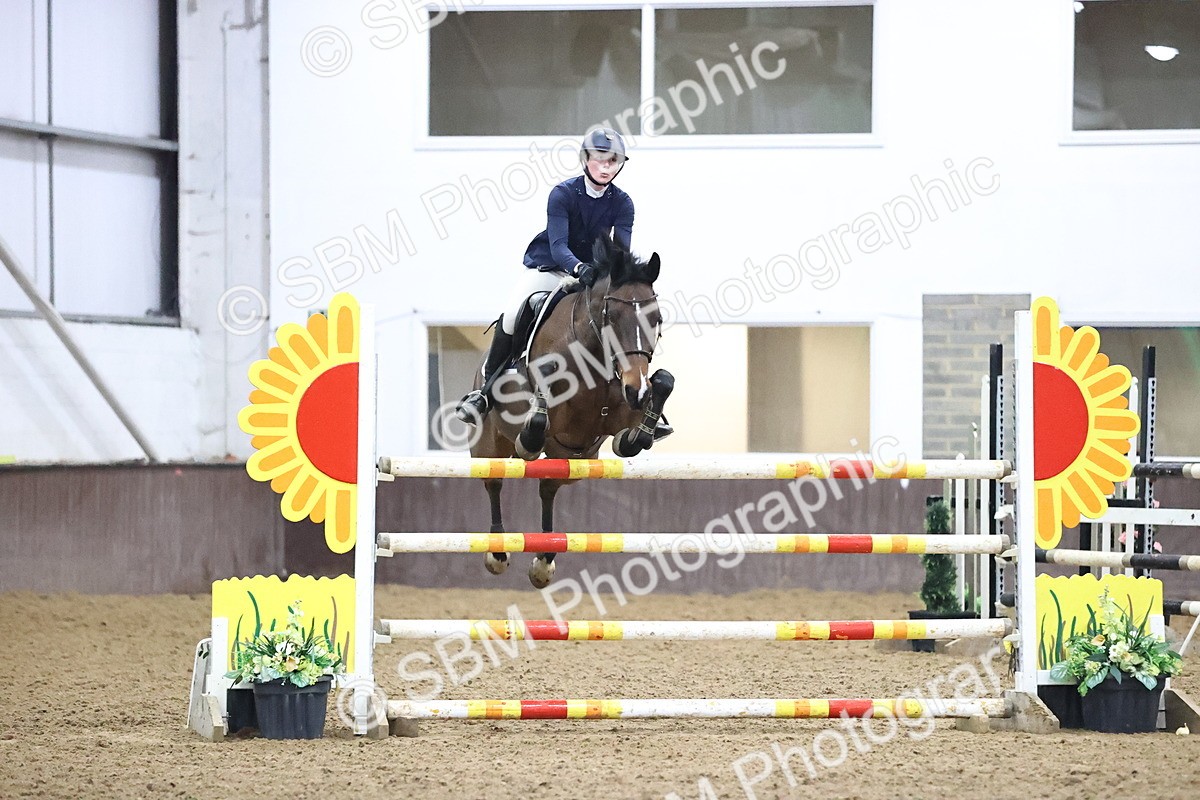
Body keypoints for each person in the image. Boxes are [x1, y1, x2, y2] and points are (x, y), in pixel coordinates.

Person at [455, 127, 636, 424]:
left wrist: (616, 276)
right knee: (514, 312)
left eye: (613, 161)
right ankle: (484, 393)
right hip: (553, 268)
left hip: (594, 278)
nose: (606, 167)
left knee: (627, 315)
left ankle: (638, 398)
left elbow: (622, 250)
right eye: (600, 159)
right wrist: (580, 268)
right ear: (585, 159)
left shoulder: (623, 202)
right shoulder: (563, 194)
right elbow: (558, 246)